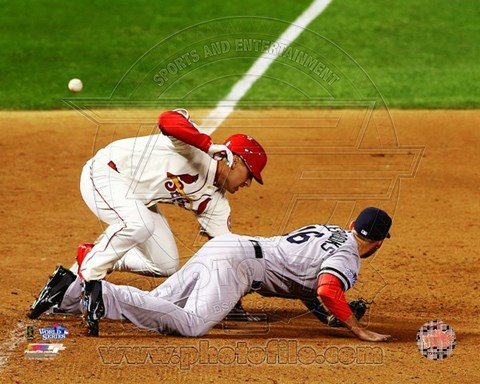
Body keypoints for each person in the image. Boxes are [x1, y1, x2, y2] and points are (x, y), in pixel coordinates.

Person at [28, 108, 267, 321]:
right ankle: (89, 278)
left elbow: (224, 251)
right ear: (234, 162)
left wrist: (230, 302)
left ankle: (92, 256)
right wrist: (205, 145)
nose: (248, 184)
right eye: (249, 175)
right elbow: (167, 120)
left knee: (165, 263)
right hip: (105, 174)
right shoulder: (193, 148)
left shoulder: (216, 203)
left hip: (138, 200)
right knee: (138, 223)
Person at [29, 207, 393, 341]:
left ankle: (69, 290)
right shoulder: (349, 259)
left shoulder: (329, 230)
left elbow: (305, 279)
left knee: (155, 304)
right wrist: (356, 329)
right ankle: (100, 292)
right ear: (377, 243)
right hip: (238, 266)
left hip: (227, 247)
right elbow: (328, 289)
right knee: (190, 324)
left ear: (352, 225)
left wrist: (324, 315)